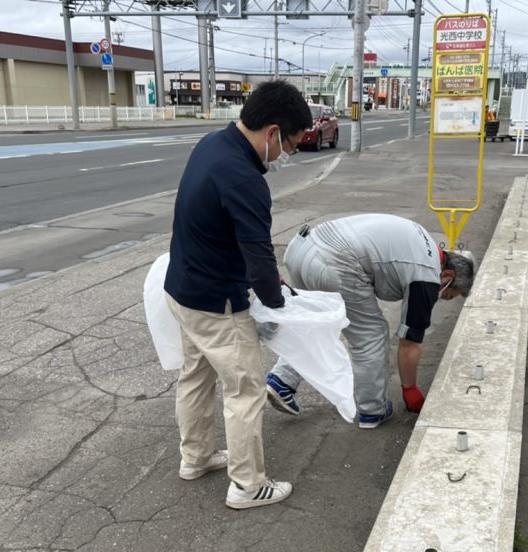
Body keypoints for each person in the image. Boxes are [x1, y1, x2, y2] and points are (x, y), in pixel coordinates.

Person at [164, 80, 312, 510]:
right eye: (289, 145)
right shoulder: (246, 178)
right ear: (271, 132)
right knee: (246, 389)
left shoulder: (212, 144)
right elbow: (257, 251)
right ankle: (248, 486)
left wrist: (267, 283)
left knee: (195, 376)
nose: (286, 155)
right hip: (216, 303)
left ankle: (195, 458)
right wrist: (278, 303)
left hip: (182, 289)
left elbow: (222, 232)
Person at [265, 214, 475, 427]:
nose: (437, 296)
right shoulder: (427, 274)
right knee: (371, 335)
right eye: (446, 294)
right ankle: (373, 409)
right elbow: (409, 343)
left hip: (302, 248)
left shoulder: (423, 243)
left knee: (318, 323)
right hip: (334, 260)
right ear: (447, 276)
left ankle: (282, 380)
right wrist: (410, 389)